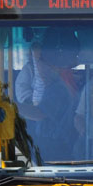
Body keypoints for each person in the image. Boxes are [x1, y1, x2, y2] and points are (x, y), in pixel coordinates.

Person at [15, 28, 81, 160]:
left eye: (39, 62)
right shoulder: (57, 83)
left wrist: (10, 106)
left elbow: (39, 113)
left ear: (51, 64)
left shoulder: (58, 89)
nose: (36, 68)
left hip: (54, 148)